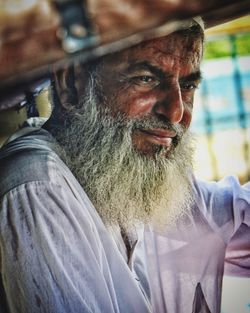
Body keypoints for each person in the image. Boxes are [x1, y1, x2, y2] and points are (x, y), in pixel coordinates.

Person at [0, 18, 249, 313]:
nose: (176, 111)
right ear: (72, 82)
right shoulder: (37, 185)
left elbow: (234, 212)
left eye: (188, 85)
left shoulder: (122, 173)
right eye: (146, 79)